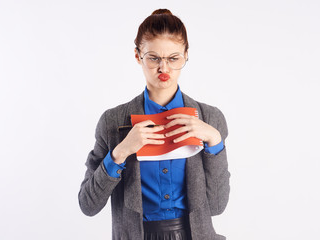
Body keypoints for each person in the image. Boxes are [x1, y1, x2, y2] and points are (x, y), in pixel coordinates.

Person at [78, 9, 230, 240]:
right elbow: (88, 205)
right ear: (138, 56)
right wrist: (119, 153)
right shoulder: (112, 122)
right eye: (154, 58)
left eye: (173, 58)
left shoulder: (209, 118)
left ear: (186, 55)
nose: (164, 68)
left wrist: (215, 142)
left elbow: (218, 206)